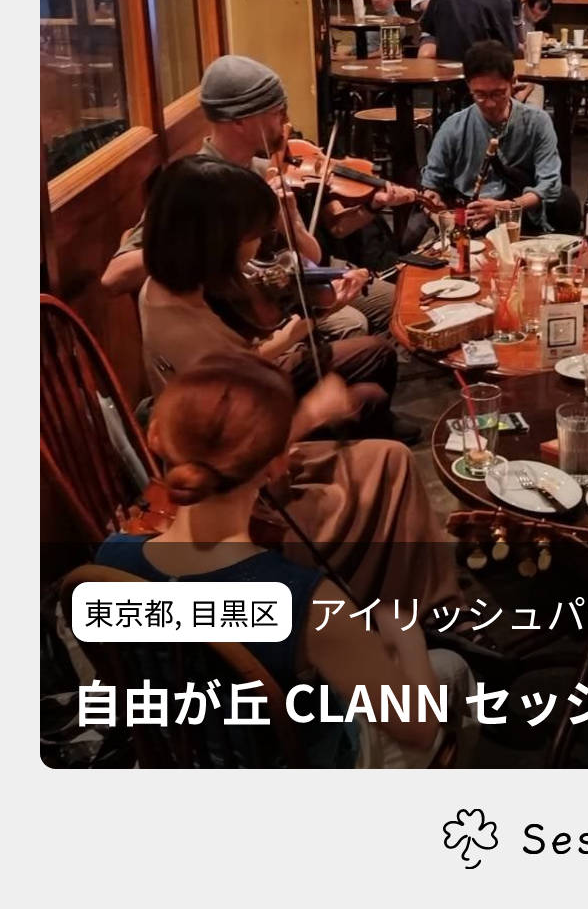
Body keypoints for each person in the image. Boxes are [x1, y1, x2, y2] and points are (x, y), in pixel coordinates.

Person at [95, 355, 473, 766]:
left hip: (179, 756)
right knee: (451, 669)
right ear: (278, 463)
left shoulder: (109, 558)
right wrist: (404, 629)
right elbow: (418, 730)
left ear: (156, 435)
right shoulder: (308, 602)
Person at [100, 55, 415, 338]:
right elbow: (113, 279)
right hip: (255, 308)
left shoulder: (268, 169)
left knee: (401, 302)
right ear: (239, 120)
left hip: (301, 278)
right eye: (277, 113)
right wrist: (213, 233)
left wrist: (290, 219)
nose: (285, 123)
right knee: (354, 324)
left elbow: (313, 254)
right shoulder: (194, 185)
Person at [137, 154, 408, 443]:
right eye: (254, 235)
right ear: (218, 242)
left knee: (377, 353)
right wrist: (313, 412)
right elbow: (236, 447)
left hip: (250, 378)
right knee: (369, 398)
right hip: (243, 436)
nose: (258, 245)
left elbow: (244, 357)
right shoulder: (186, 333)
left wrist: (321, 311)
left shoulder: (179, 283)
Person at [418, 40, 580, 236]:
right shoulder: (453, 127)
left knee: (567, 201)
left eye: (498, 93)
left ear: (513, 82)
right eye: (480, 95)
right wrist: (438, 212)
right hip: (472, 215)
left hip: (519, 212)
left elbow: (550, 184)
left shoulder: (537, 122)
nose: (490, 104)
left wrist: (506, 207)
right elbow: (431, 185)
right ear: (468, 86)